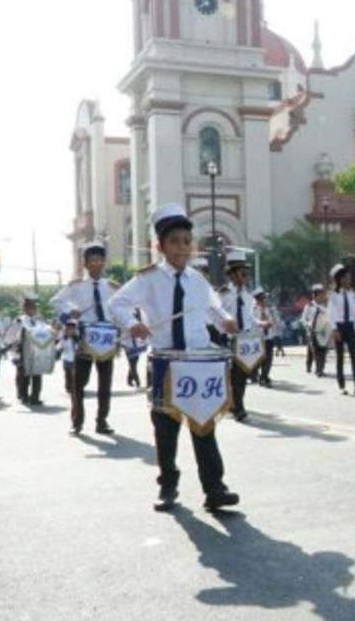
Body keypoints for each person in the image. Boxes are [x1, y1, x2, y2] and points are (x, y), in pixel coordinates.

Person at [108, 203, 240, 512]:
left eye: (186, 241)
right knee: (165, 430)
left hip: (197, 361)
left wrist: (226, 321)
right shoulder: (148, 279)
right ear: (160, 247)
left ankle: (215, 488)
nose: (182, 247)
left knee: (204, 426)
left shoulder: (197, 279)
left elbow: (214, 308)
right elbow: (117, 304)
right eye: (174, 241)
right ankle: (168, 485)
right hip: (166, 362)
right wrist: (133, 323)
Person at [52, 241, 118, 435]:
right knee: (79, 382)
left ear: (104, 262)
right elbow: (56, 301)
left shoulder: (112, 287)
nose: (96, 264)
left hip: (107, 337)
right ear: (85, 264)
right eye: (92, 261)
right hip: (85, 335)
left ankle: (102, 421)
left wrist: (121, 332)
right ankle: (77, 421)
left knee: (105, 382)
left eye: (100, 260)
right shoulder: (77, 286)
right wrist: (71, 310)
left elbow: (122, 308)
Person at [221, 250, 262, 421]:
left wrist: (258, 327)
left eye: (246, 273)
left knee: (243, 375)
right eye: (242, 273)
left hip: (245, 340)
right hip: (229, 339)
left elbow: (249, 318)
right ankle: (238, 407)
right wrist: (226, 323)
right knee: (234, 375)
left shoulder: (248, 296)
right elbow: (215, 315)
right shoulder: (223, 294)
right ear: (232, 275)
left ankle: (236, 404)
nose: (246, 277)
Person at [328, 264, 355, 395]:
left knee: (354, 355)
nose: (348, 280)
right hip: (339, 326)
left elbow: (354, 311)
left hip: (350, 325)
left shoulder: (351, 293)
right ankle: (342, 386)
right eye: (346, 278)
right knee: (340, 357)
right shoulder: (333, 295)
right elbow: (331, 313)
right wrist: (334, 329)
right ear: (339, 279)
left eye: (349, 278)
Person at [4, 296, 50, 407]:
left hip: (37, 350)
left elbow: (46, 332)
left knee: (37, 373)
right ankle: (23, 396)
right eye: (31, 307)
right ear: (25, 308)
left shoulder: (39, 321)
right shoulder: (19, 320)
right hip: (23, 350)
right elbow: (10, 335)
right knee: (23, 375)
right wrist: (13, 343)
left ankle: (35, 397)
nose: (33, 309)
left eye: (34, 307)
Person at [302, 284, 329, 377]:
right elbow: (303, 319)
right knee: (314, 350)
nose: (323, 296)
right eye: (321, 295)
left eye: (323, 294)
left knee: (323, 350)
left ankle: (320, 369)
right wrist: (308, 325)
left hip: (322, 331)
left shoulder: (325, 307)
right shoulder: (309, 306)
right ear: (315, 295)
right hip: (312, 331)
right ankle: (311, 366)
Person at [255, 289, 277, 386]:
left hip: (269, 337)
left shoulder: (270, 310)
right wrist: (261, 323)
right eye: (263, 299)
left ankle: (264, 376)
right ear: (258, 300)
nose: (265, 301)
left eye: (265, 299)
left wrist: (272, 324)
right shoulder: (253, 310)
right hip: (258, 338)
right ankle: (259, 376)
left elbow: (275, 321)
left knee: (269, 359)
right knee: (260, 359)